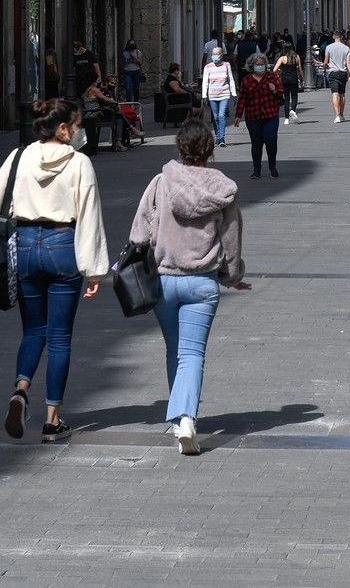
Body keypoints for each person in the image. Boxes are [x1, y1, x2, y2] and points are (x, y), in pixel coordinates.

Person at [0, 98, 109, 444]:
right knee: (60, 337)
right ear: (64, 128)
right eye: (78, 125)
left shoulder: (20, 156)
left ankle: (21, 390)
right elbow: (90, 218)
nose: (81, 131)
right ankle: (52, 420)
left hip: (23, 246)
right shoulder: (80, 163)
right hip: (61, 245)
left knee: (33, 329)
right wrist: (94, 271)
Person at [129, 118, 250, 455]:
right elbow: (232, 239)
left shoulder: (159, 183)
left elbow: (138, 233)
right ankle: (186, 418)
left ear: (179, 148)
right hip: (202, 282)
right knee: (192, 353)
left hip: (164, 281)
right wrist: (233, 275)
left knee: (175, 351)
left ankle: (178, 420)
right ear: (208, 151)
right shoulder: (222, 188)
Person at [234, 53, 283, 178]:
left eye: (262, 64)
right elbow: (242, 99)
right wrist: (238, 115)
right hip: (253, 116)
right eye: (257, 64)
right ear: (252, 66)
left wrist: (274, 90)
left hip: (270, 114)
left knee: (271, 140)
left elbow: (280, 96)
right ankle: (257, 169)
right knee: (256, 143)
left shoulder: (272, 78)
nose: (260, 67)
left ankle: (272, 166)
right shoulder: (246, 81)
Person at [201, 45, 237, 146]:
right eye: (213, 54)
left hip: (224, 94)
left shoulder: (226, 65)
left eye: (217, 54)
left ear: (221, 55)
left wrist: (233, 94)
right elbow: (205, 82)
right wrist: (204, 95)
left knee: (221, 115)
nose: (214, 56)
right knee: (215, 117)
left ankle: (221, 138)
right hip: (212, 95)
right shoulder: (208, 67)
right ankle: (217, 136)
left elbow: (231, 80)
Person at [324, 30, 350, 124]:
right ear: (341, 37)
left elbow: (325, 62)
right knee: (342, 94)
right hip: (342, 73)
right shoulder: (346, 48)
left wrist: (325, 66)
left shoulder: (328, 47)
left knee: (334, 93)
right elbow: (348, 62)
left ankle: (337, 116)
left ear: (333, 37)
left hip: (333, 72)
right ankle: (342, 115)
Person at [272, 41, 301, 123]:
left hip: (284, 79)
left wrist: (280, 71)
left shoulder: (282, 58)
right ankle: (293, 110)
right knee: (294, 96)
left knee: (286, 98)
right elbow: (299, 70)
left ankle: (286, 119)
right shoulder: (296, 57)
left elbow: (274, 70)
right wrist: (301, 80)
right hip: (294, 78)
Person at [121, 39, 143, 103]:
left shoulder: (137, 52)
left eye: (133, 44)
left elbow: (140, 62)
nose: (132, 45)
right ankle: (129, 103)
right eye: (130, 44)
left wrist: (133, 57)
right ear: (128, 45)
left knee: (136, 88)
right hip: (127, 72)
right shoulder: (124, 53)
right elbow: (124, 63)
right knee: (128, 88)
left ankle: (136, 102)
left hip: (136, 72)